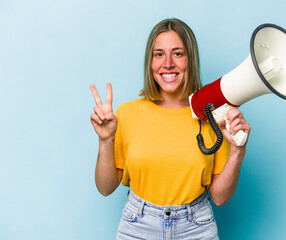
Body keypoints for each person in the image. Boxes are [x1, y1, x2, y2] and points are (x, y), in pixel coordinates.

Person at [90, 18, 251, 240]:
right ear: (150, 61)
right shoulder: (126, 113)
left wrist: (237, 151)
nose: (167, 64)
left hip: (196, 227)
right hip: (138, 226)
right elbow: (105, 188)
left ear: (190, 59)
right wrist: (105, 140)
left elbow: (220, 197)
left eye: (177, 53)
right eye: (159, 54)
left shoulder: (212, 115)